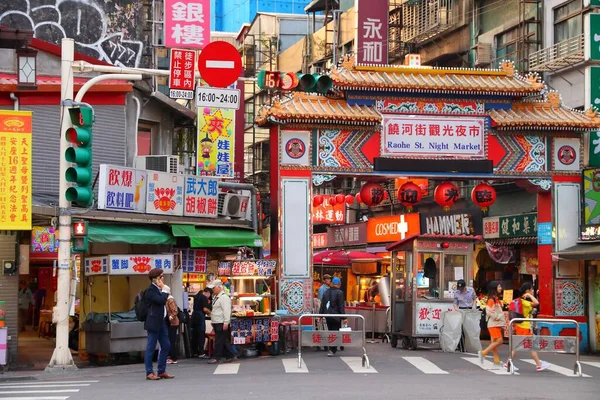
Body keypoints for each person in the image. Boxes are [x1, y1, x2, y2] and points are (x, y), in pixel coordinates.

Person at [504, 282, 550, 372]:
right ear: (527, 291)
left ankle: (538, 364)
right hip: (523, 327)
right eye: (531, 289)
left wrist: (529, 294)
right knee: (522, 346)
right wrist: (529, 294)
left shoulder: (522, 301)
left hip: (522, 326)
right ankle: (538, 365)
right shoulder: (524, 302)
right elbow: (536, 303)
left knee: (527, 345)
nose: (533, 291)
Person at [143, 268, 174, 381]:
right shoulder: (150, 291)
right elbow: (161, 300)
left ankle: (161, 370)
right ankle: (149, 372)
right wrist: (165, 290)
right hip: (153, 322)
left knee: (166, 345)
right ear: (156, 279)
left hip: (162, 322)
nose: (163, 278)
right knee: (151, 347)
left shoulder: (159, 289)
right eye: (161, 276)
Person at [207, 279, 234, 364]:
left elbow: (226, 310)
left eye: (214, 288)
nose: (213, 289)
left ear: (219, 287)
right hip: (216, 321)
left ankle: (216, 357)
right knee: (223, 340)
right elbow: (215, 310)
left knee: (219, 340)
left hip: (221, 322)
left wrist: (226, 322)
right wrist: (212, 320)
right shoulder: (216, 297)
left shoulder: (224, 298)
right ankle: (230, 355)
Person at [479, 281, 505, 366]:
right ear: (494, 288)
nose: (500, 288)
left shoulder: (495, 299)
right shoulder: (491, 300)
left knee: (494, 343)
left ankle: (496, 360)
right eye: (499, 287)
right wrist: (498, 317)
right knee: (500, 341)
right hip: (493, 324)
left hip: (495, 324)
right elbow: (489, 312)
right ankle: (483, 353)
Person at [319, 277, 346, 357]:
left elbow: (322, 305)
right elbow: (341, 306)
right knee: (335, 331)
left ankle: (332, 348)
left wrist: (320, 316)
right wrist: (344, 317)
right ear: (339, 284)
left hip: (327, 315)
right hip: (336, 316)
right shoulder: (340, 293)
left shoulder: (326, 292)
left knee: (331, 331)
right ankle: (332, 349)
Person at [453, 279, 477, 352]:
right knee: (461, 329)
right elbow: (455, 303)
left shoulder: (471, 290)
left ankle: (470, 346)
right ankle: (461, 347)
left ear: (465, 287)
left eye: (462, 289)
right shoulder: (457, 293)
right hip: (461, 310)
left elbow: (475, 299)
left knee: (470, 329)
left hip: (470, 310)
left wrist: (473, 306)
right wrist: (457, 309)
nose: (461, 290)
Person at [191, 288, 212, 358]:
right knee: (201, 334)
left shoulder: (197, 296)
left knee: (195, 334)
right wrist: (211, 315)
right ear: (207, 292)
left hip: (194, 316)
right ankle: (201, 352)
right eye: (210, 294)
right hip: (200, 317)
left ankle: (194, 352)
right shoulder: (204, 298)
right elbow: (205, 309)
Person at [164, 285, 180, 365]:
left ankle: (173, 357)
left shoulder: (170, 299)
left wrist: (171, 316)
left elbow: (175, 311)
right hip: (172, 322)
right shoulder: (169, 299)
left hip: (173, 322)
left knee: (171, 340)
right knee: (171, 340)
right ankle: (171, 356)